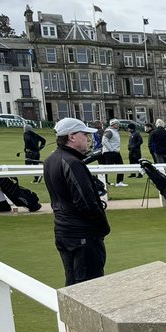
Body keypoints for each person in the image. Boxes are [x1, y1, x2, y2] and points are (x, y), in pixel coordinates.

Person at [43, 117, 110, 285]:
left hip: (63, 231)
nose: (88, 139)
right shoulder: (72, 163)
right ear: (71, 136)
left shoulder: (51, 159)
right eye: (84, 135)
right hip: (81, 235)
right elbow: (86, 203)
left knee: (72, 282)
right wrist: (103, 227)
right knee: (89, 286)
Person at [100, 119, 126, 186]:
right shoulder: (109, 131)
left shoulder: (115, 131)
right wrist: (111, 149)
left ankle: (119, 182)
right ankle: (103, 182)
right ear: (113, 124)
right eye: (117, 124)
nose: (118, 125)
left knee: (121, 166)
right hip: (109, 152)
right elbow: (104, 140)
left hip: (115, 152)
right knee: (107, 168)